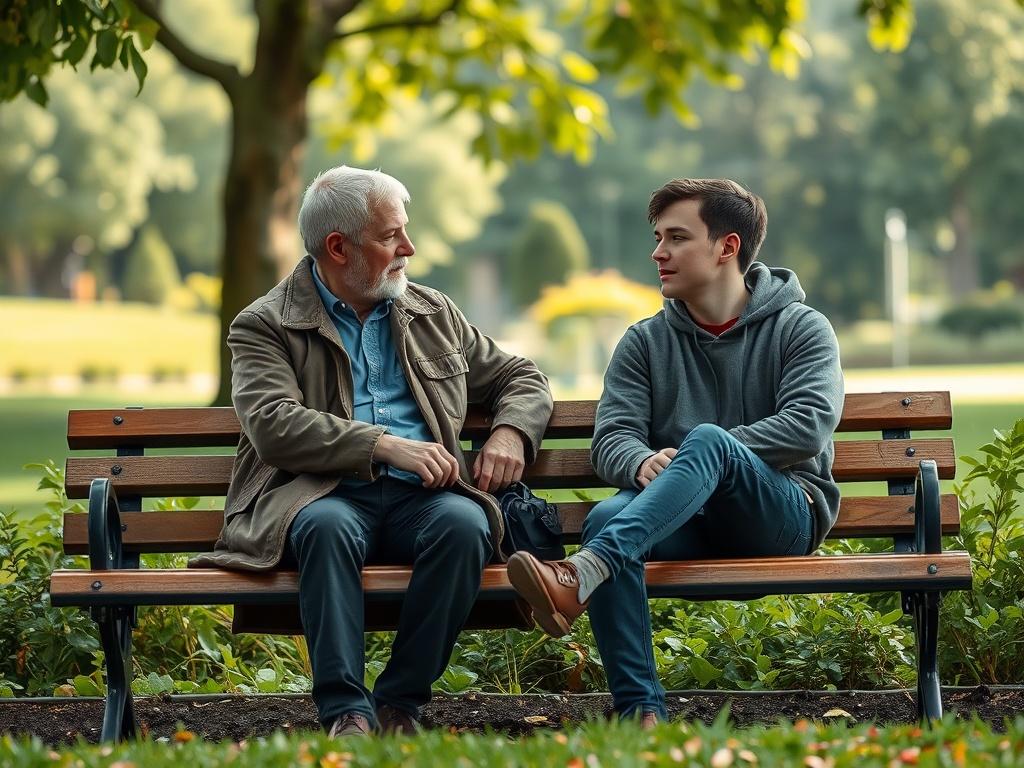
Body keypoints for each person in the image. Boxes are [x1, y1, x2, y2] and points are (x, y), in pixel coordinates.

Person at [191, 166, 553, 737]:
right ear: (339, 247)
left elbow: (520, 377)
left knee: (464, 525)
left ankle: (399, 704)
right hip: (320, 493)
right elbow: (272, 424)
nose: (409, 248)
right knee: (327, 528)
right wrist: (385, 447)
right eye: (391, 237)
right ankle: (346, 713)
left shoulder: (429, 311)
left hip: (425, 500)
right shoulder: (265, 324)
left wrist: (510, 433)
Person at [507, 178, 843, 727]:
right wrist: (640, 463)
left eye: (677, 238)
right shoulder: (643, 342)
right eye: (658, 237)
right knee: (610, 515)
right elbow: (612, 437)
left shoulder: (801, 328)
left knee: (709, 441)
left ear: (726, 247)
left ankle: (583, 574)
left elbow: (806, 427)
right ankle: (641, 712)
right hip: (674, 518)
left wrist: (699, 458)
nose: (657, 253)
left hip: (780, 514)